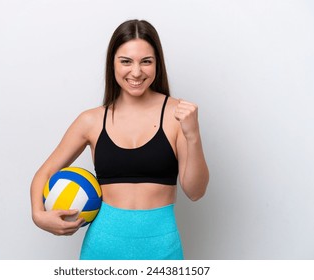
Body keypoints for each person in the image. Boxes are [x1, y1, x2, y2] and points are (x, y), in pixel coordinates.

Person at [30, 19, 209, 260]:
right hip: (101, 251)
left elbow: (195, 191)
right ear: (112, 63)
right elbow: (45, 172)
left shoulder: (178, 114)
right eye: (126, 61)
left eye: (146, 61)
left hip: (162, 251)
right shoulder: (91, 121)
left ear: (157, 64)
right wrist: (38, 216)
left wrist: (193, 135)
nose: (136, 72)